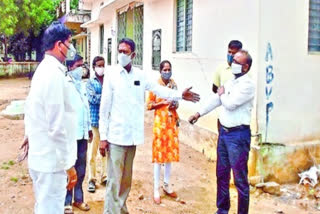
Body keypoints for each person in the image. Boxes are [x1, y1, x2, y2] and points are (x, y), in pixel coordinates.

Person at [99, 38, 200, 214]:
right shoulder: (112, 75)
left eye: (125, 51)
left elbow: (158, 89)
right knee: (114, 181)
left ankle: (121, 210)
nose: (122, 55)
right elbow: (104, 109)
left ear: (133, 55)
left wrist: (179, 95)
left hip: (131, 138)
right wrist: (103, 137)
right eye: (119, 51)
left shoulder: (140, 76)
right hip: (115, 137)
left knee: (125, 181)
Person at [189, 50, 255, 214]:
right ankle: (222, 209)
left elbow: (230, 104)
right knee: (222, 173)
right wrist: (199, 113)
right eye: (233, 60)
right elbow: (217, 100)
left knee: (240, 179)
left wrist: (222, 94)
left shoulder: (248, 85)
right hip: (224, 134)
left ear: (245, 67)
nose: (233, 63)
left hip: (238, 136)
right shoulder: (231, 81)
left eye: (237, 62)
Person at [24, 21, 78, 214]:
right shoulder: (53, 74)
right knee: (51, 209)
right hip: (52, 162)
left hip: (42, 157)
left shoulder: (43, 70)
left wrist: (29, 135)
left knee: (44, 207)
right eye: (69, 43)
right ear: (59, 45)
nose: (71, 49)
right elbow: (56, 125)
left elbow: (30, 110)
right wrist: (68, 165)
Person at [146, 60, 180, 204]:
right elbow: (149, 105)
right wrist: (163, 103)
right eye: (164, 69)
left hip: (171, 124)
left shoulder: (174, 84)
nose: (167, 71)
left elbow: (177, 103)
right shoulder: (155, 86)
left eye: (169, 69)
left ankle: (166, 184)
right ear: (160, 71)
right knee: (159, 157)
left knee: (169, 156)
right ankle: (156, 189)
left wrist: (174, 103)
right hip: (160, 125)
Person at [64, 54, 91, 214]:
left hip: (82, 134)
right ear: (70, 67)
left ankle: (79, 199)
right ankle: (66, 200)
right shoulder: (64, 85)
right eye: (79, 65)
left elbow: (85, 109)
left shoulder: (82, 85)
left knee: (81, 168)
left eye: (83, 65)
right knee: (69, 168)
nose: (82, 68)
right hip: (70, 135)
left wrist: (88, 129)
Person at [86, 56, 107, 192]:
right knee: (93, 152)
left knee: (106, 151)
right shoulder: (90, 83)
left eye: (103, 65)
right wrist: (106, 97)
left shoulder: (108, 80)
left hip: (107, 122)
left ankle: (105, 176)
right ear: (94, 67)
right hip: (95, 121)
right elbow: (92, 99)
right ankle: (92, 179)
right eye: (99, 65)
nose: (101, 67)